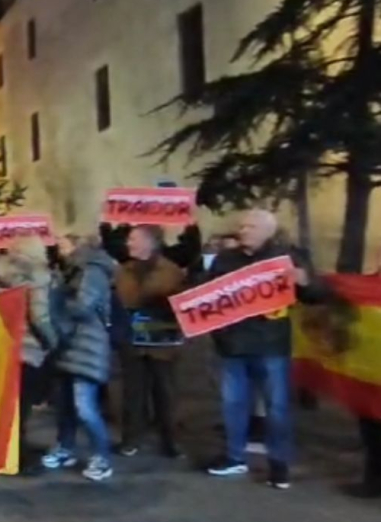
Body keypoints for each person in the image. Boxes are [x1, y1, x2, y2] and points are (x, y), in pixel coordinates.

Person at [205, 210, 322, 490]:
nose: (244, 230)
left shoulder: (287, 259)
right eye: (242, 225)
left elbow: (317, 295)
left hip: (270, 346)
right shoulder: (225, 259)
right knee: (233, 405)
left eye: (251, 226)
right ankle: (234, 457)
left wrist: (304, 280)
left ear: (269, 230)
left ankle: (279, 464)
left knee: (276, 407)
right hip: (233, 345)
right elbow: (205, 294)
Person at [41, 234, 117, 482]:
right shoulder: (73, 270)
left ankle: (102, 457)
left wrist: (55, 298)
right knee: (65, 405)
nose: (58, 248)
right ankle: (65, 447)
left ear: (77, 247)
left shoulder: (92, 271)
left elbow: (83, 306)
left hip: (88, 345)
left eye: (63, 244)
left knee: (84, 406)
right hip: (72, 344)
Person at [114, 226, 186, 458]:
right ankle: (131, 439)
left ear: (150, 243)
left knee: (165, 393)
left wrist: (162, 302)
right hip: (132, 341)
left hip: (162, 342)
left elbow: (181, 301)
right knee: (133, 393)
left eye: (133, 239)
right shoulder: (122, 270)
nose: (128, 244)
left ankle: (170, 440)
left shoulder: (171, 270)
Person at [0, 237, 59, 474]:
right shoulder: (37, 278)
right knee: (23, 405)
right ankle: (17, 458)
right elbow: (39, 316)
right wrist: (53, 341)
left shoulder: (1, 274)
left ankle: (12, 449)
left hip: (5, 344)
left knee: (12, 404)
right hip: (28, 347)